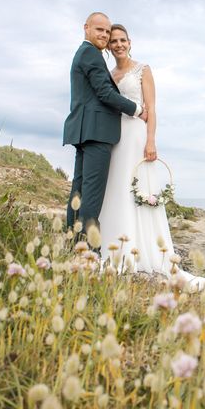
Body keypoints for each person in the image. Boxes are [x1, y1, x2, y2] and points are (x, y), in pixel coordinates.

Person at [99, 24, 205, 291]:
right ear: (109, 46)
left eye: (123, 40)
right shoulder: (109, 74)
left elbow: (152, 108)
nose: (119, 44)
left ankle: (145, 248)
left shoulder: (142, 70)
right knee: (116, 188)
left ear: (130, 42)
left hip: (137, 136)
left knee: (138, 185)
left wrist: (150, 140)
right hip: (116, 137)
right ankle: (117, 248)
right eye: (114, 41)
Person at [63, 13, 148, 243]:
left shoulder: (84, 53)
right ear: (86, 28)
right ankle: (89, 251)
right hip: (96, 132)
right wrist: (137, 109)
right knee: (91, 196)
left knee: (79, 192)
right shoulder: (91, 53)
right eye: (99, 30)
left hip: (84, 131)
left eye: (107, 31)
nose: (104, 35)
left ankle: (72, 244)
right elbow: (105, 93)